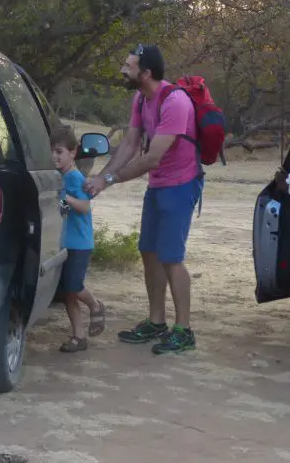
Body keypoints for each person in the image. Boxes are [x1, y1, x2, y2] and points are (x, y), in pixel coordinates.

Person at [84, 44, 203, 355]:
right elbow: (129, 145)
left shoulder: (175, 101)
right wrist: (102, 177)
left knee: (170, 257)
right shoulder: (140, 98)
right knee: (148, 251)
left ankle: (184, 330)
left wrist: (109, 180)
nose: (123, 70)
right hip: (159, 184)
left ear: (146, 73)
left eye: (129, 65)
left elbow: (151, 158)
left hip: (181, 184)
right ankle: (156, 322)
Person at [52, 123, 105, 353]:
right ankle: (79, 336)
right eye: (52, 151)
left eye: (59, 152)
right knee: (67, 293)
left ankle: (95, 305)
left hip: (80, 244)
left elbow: (84, 207)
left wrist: (64, 198)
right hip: (65, 243)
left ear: (73, 152)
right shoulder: (60, 176)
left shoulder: (74, 177)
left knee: (74, 286)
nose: (54, 156)